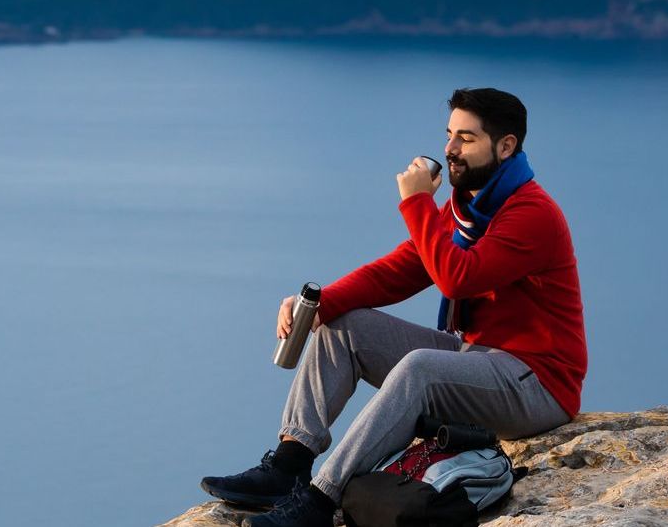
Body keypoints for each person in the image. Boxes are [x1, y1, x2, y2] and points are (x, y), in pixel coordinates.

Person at [200, 88, 587, 527]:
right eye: (449, 135)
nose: (450, 149)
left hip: (538, 384)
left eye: (466, 138)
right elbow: (400, 270)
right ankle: (289, 464)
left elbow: (457, 276)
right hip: (481, 361)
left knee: (420, 368)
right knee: (344, 326)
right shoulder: (470, 209)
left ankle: (318, 502)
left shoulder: (531, 213)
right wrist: (318, 305)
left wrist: (417, 202)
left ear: (506, 146)